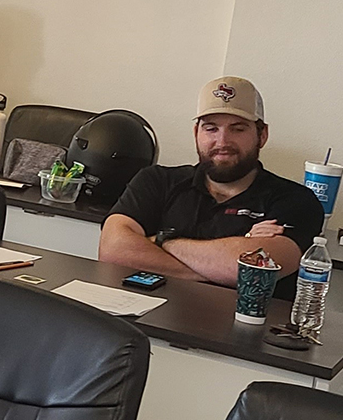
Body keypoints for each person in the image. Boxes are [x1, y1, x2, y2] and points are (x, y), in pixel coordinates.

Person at [99, 77, 326, 289]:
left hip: (243, 329)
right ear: (196, 132)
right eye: (211, 128)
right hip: (145, 322)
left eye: (238, 129)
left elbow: (253, 270)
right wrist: (218, 266)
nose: (222, 141)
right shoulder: (156, 181)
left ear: (262, 135)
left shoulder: (296, 201)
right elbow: (113, 250)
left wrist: (162, 240)